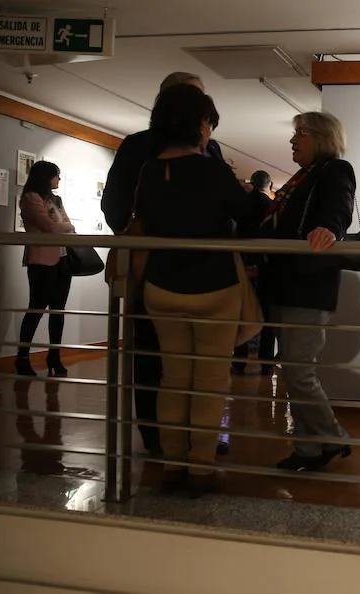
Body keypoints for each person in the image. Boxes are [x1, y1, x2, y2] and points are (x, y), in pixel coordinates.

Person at [136, 84, 257, 497]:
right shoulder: (211, 170)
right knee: (208, 383)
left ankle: (171, 465)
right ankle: (200, 470)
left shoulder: (149, 170)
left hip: (161, 286)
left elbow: (146, 218)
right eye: (208, 122)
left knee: (173, 379)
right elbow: (245, 214)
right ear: (200, 125)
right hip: (213, 287)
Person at [101, 71, 227, 456]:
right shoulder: (143, 146)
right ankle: (167, 438)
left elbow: (115, 207)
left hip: (178, 268)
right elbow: (116, 206)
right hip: (168, 268)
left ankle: (173, 438)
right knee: (163, 356)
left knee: (172, 358)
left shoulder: (203, 148)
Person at [260, 111, 354, 471]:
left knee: (299, 371)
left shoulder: (334, 170)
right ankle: (308, 448)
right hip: (286, 283)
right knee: (293, 370)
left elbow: (338, 207)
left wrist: (329, 228)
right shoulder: (301, 178)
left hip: (308, 284)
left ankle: (333, 437)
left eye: (300, 133)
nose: (293, 140)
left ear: (321, 137)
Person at [15, 161, 75, 378]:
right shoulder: (32, 198)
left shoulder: (55, 199)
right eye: (56, 175)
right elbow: (50, 227)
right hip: (41, 261)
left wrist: (65, 227)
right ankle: (22, 358)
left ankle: (54, 356)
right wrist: (67, 227)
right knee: (36, 309)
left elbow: (66, 223)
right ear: (46, 177)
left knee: (58, 310)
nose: (58, 179)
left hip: (62, 260)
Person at [232, 169, 277, 376]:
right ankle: (266, 363)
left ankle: (239, 361)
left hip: (242, 263)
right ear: (269, 185)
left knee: (242, 314)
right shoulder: (270, 206)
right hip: (265, 267)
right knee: (266, 316)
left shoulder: (242, 204)